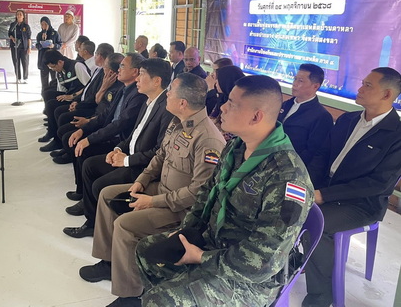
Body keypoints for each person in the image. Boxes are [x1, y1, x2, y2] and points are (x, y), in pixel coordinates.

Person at [136, 75, 314, 307]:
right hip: (213, 242)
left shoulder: (287, 176)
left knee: (159, 301)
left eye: (231, 103)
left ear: (256, 116)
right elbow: (206, 194)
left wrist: (201, 257)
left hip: (248, 278)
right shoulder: (235, 148)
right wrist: (185, 232)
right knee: (147, 252)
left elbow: (263, 262)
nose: (222, 107)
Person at [79, 73, 226, 307]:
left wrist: (152, 202)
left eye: (171, 91)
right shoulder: (177, 121)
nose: (166, 94)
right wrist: (142, 180)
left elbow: (198, 193)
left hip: (180, 208)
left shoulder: (208, 139)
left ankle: (131, 294)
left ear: (182, 103)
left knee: (125, 225)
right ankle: (109, 263)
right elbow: (160, 156)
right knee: (108, 195)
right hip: (160, 189)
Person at [302, 67, 401, 307]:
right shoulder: (348, 119)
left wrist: (324, 195)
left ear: (387, 94)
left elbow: (378, 184)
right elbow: (322, 156)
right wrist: (308, 185)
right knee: (284, 204)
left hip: (361, 203)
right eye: (362, 83)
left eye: (368, 85)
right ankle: (291, 263)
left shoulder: (396, 134)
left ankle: (321, 297)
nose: (360, 89)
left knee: (316, 226)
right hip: (325, 188)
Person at [63, 58, 174, 238]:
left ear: (156, 81)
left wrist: (127, 160)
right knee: (90, 165)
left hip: (143, 167)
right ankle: (91, 221)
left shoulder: (166, 109)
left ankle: (106, 230)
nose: (137, 79)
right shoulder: (149, 101)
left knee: (100, 185)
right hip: (128, 154)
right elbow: (134, 134)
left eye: (142, 74)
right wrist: (117, 149)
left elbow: (159, 151)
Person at [278, 64, 333, 166]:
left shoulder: (322, 116)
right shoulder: (286, 104)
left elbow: (313, 153)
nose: (295, 84)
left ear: (315, 86)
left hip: (292, 166)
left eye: (300, 81)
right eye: (295, 79)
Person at [39, 49, 91, 150]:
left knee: (52, 106)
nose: (53, 70)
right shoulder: (59, 72)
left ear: (60, 62)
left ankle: (57, 140)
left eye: (53, 67)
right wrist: (65, 97)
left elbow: (89, 87)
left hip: (81, 98)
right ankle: (51, 130)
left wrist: (73, 96)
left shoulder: (77, 66)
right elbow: (62, 90)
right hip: (70, 96)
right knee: (48, 94)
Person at [36, 16, 61, 100]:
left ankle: (54, 94)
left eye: (45, 24)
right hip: (43, 59)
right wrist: (42, 41)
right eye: (42, 24)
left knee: (54, 78)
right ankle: (44, 95)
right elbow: (37, 46)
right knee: (44, 79)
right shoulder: (40, 34)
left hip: (53, 59)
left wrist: (53, 46)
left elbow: (59, 44)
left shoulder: (55, 33)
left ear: (49, 24)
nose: (44, 26)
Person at [8, 9, 32, 84]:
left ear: (23, 16)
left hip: (24, 47)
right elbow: (9, 34)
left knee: (25, 62)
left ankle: (25, 78)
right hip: (14, 47)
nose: (18, 16)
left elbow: (29, 38)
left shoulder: (26, 26)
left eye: (20, 14)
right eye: (17, 14)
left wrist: (29, 48)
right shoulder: (13, 25)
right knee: (16, 62)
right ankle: (18, 78)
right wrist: (12, 38)